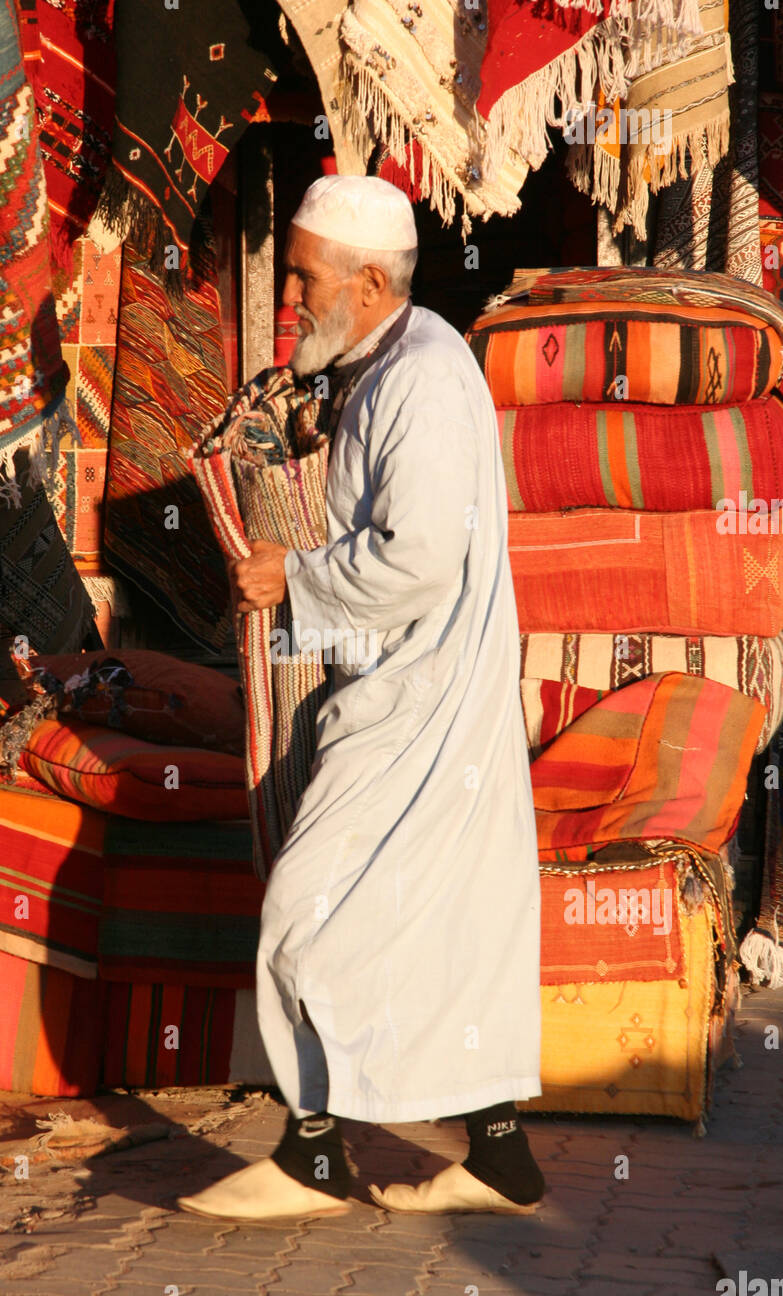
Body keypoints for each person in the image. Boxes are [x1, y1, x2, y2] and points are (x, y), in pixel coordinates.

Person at [179, 175, 544, 1221]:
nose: (288, 295)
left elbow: (421, 558)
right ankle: (500, 1158)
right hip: (411, 684)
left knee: (304, 910)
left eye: (302, 277)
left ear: (370, 281)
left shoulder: (421, 381)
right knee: (445, 922)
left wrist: (289, 576)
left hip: (417, 694)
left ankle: (315, 1159)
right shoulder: (395, 362)